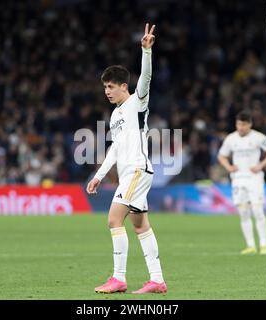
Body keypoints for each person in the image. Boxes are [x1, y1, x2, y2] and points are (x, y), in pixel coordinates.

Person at [86, 24, 167, 294]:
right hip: (131, 171)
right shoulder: (115, 115)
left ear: (124, 86)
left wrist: (146, 51)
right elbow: (115, 149)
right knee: (140, 224)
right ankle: (157, 280)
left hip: (136, 171)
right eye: (104, 87)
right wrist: (98, 175)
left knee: (113, 220)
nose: (107, 91)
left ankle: (118, 278)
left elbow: (146, 79)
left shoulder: (136, 103)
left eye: (111, 87)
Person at [217, 110, 266, 255]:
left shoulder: (258, 137)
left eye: (244, 124)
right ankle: (250, 245)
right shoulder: (231, 139)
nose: (241, 127)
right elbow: (221, 156)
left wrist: (261, 165)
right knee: (243, 213)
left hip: (254, 179)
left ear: (250, 124)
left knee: (258, 211)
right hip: (238, 179)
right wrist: (229, 168)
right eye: (239, 124)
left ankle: (264, 245)